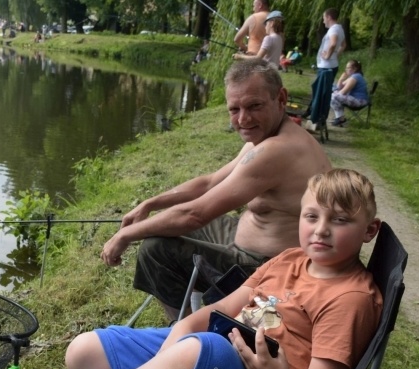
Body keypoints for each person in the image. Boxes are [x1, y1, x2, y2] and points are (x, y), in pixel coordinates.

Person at [13, 169, 384, 369]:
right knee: (85, 351)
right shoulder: (290, 258)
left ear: (369, 230)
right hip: (217, 353)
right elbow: (219, 310)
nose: (321, 230)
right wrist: (171, 348)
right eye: (311, 216)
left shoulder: (349, 298)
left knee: (202, 348)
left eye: (340, 220)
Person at [101, 58, 331, 321]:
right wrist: (150, 204)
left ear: (281, 98)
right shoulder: (267, 135)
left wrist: (125, 235)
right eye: (234, 109)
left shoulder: (278, 150)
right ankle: (192, 318)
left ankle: (186, 332)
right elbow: (209, 183)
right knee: (166, 225)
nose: (243, 119)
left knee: (155, 250)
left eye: (254, 106)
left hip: (269, 274)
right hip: (251, 244)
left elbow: (195, 215)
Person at [304, 8, 346, 126]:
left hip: (326, 67)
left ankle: (317, 118)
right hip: (331, 65)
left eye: (324, 18)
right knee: (323, 92)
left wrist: (328, 56)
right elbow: (343, 45)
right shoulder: (340, 28)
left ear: (329, 17)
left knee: (321, 93)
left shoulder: (333, 29)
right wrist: (336, 55)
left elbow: (333, 43)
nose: (323, 21)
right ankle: (315, 115)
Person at [330, 60, 369, 126]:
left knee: (333, 96)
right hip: (355, 99)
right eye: (346, 68)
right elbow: (339, 87)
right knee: (334, 93)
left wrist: (335, 91)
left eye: (348, 68)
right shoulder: (353, 76)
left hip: (360, 101)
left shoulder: (355, 77)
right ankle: (340, 118)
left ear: (355, 69)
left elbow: (343, 92)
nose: (346, 69)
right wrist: (341, 79)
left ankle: (340, 119)